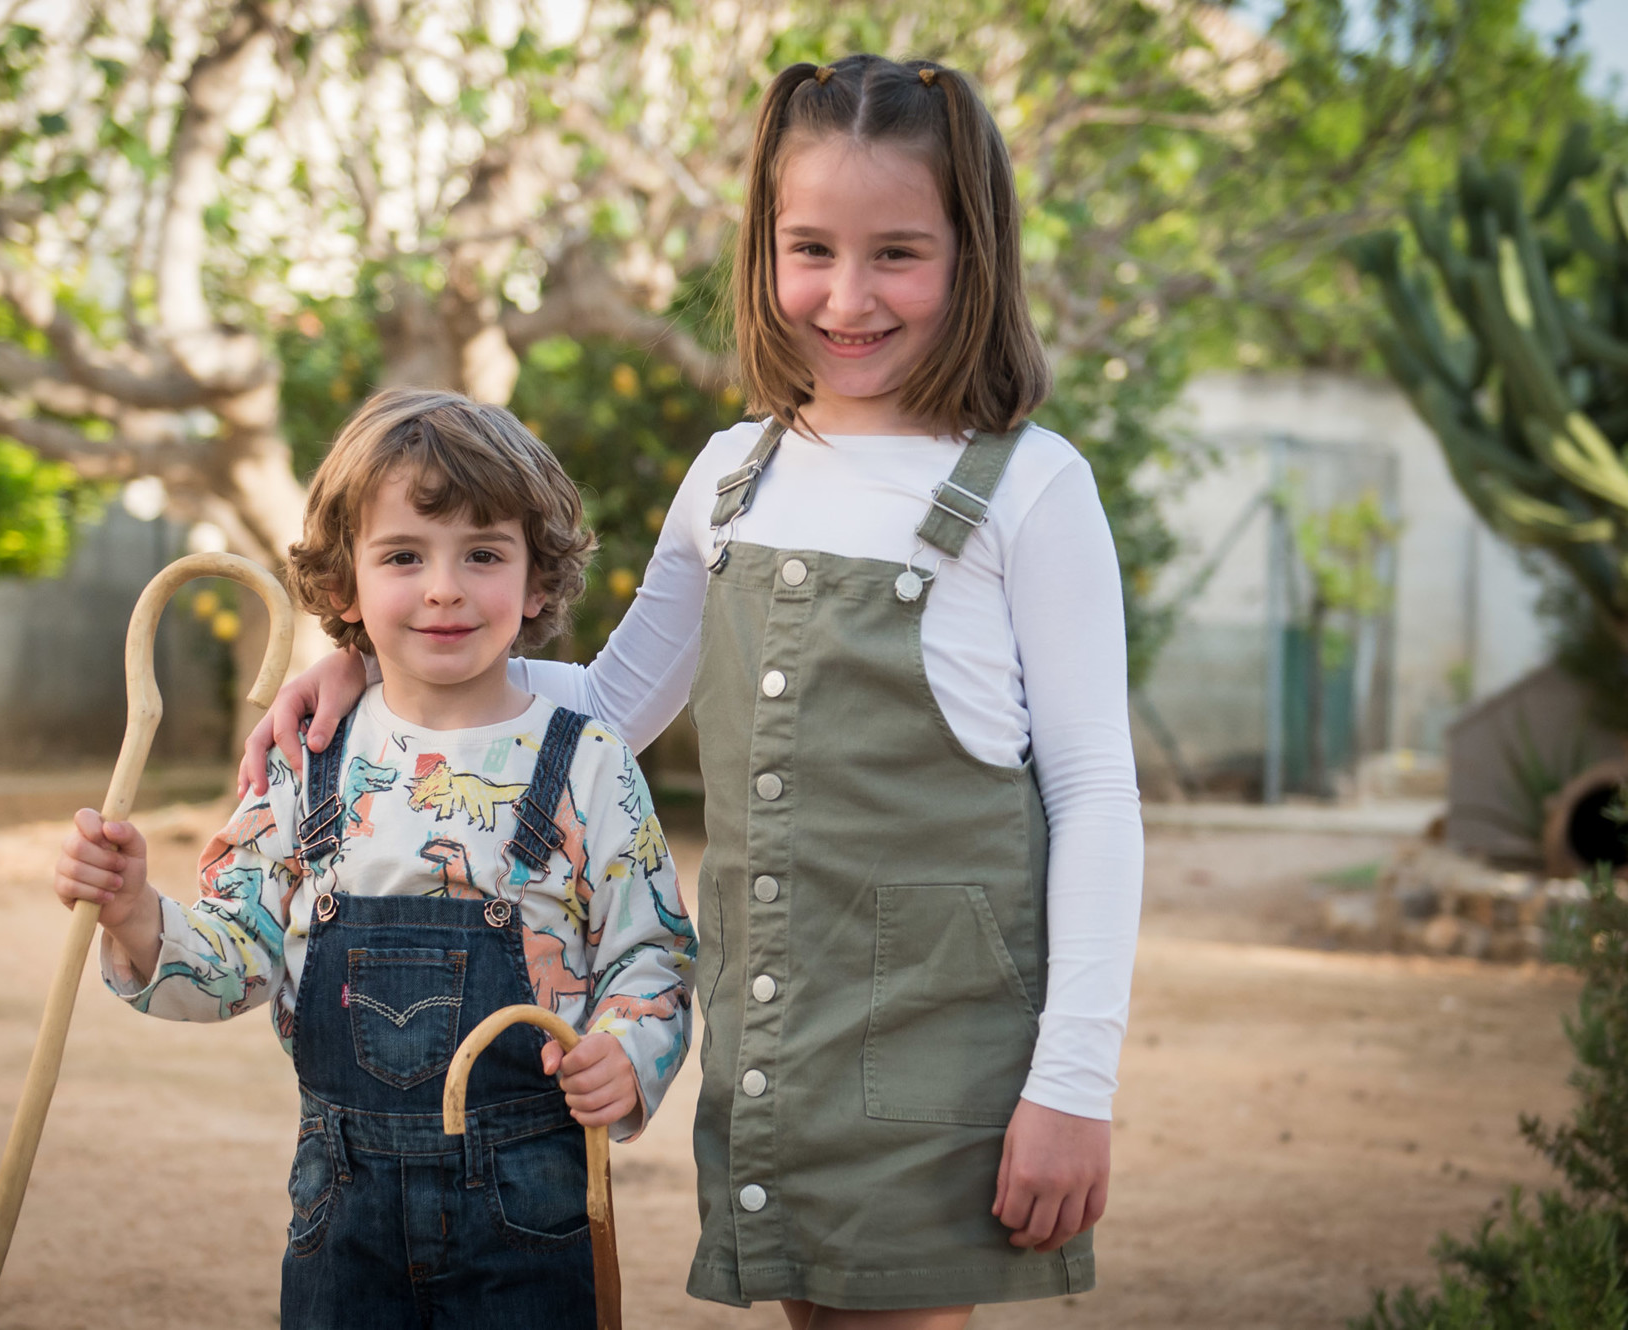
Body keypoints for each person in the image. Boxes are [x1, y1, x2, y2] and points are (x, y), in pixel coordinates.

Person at [240, 55, 1142, 1329]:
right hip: (774, 1019)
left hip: (942, 1037)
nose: (845, 296)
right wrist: (376, 669)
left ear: (972, 251)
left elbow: (1096, 794)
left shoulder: (1032, 489)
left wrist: (1074, 1082)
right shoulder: (733, 475)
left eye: (898, 253)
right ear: (762, 249)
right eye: (808, 248)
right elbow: (607, 703)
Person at [56, 388, 697, 1329]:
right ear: (344, 586)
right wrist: (134, 913)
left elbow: (655, 954)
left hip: (530, 1204)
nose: (444, 587)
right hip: (340, 1209)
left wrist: (628, 1053)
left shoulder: (588, 761)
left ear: (538, 583)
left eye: (484, 554)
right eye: (404, 556)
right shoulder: (309, 762)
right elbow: (234, 959)